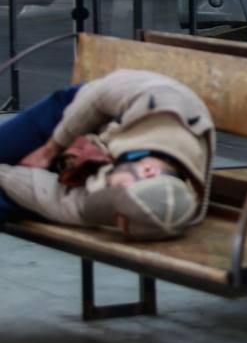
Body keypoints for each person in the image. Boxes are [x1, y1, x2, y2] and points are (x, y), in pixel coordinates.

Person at [0, 70, 215, 240]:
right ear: (149, 171)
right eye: (116, 189)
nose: (107, 190)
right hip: (74, 115)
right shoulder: (168, 106)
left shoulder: (137, 207)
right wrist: (51, 149)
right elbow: (100, 95)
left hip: (88, 158)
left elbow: (58, 199)